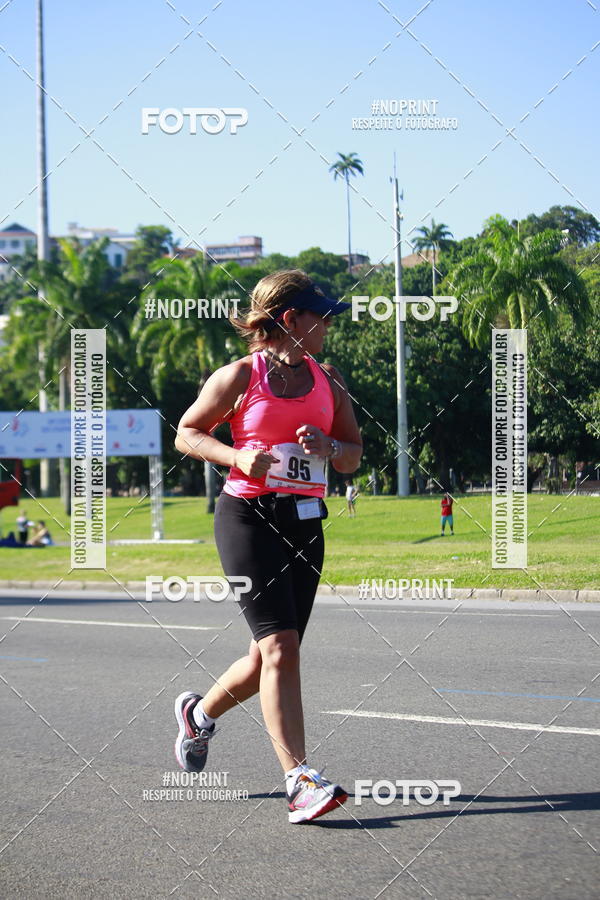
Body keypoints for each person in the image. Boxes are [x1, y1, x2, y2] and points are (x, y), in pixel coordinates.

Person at [174, 269, 362, 823]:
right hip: (246, 519)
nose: (327, 324)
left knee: (267, 657)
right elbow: (187, 431)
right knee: (281, 649)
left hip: (305, 521)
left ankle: (199, 715)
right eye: (318, 316)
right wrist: (236, 456)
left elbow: (353, 454)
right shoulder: (238, 376)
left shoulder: (330, 383)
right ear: (288, 321)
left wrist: (329, 445)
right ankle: (299, 780)